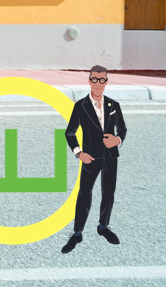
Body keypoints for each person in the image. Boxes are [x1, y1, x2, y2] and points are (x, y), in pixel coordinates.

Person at [61, 66, 126, 253]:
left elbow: (122, 129)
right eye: (95, 79)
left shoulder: (114, 105)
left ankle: (103, 226)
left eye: (102, 80)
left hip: (111, 156)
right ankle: (77, 232)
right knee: (84, 194)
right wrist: (79, 153)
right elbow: (70, 132)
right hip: (90, 157)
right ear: (90, 81)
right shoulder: (80, 106)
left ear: (106, 82)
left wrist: (118, 140)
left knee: (108, 191)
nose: (98, 84)